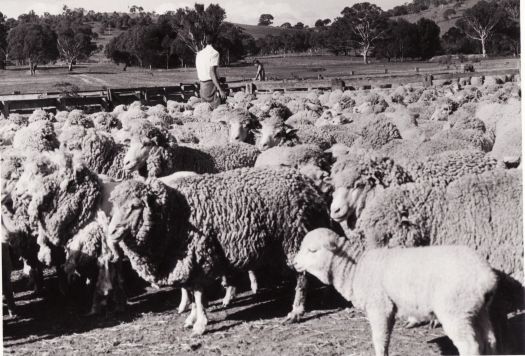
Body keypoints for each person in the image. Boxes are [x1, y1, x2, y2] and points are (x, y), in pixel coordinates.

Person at [196, 33, 227, 109]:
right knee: (215, 109)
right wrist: (220, 90)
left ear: (205, 42)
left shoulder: (199, 54)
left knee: (205, 109)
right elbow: (211, 72)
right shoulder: (214, 53)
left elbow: (202, 70)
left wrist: (219, 77)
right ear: (215, 42)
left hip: (202, 86)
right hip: (210, 85)